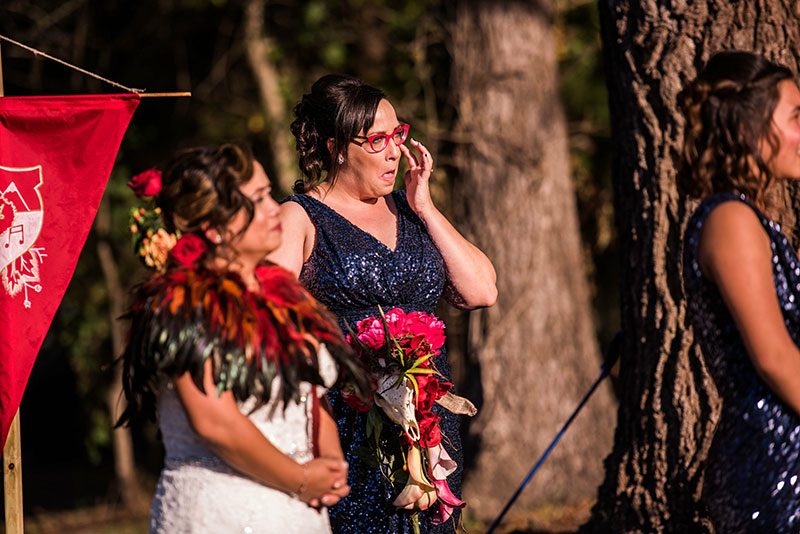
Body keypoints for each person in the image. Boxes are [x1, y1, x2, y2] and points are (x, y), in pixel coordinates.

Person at [269, 74, 497, 532]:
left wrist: (426, 207)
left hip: (431, 420)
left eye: (398, 134)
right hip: (349, 423)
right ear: (336, 147)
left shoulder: (412, 211)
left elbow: (481, 291)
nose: (394, 150)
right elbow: (265, 315)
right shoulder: (300, 216)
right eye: (376, 140)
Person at [118, 144, 368, 533]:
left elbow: (310, 394)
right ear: (217, 228)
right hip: (220, 511)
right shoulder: (184, 305)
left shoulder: (288, 298)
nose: (274, 208)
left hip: (300, 513)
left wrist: (330, 465)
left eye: (268, 192)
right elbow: (215, 421)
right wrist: (300, 480)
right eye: (258, 198)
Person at [680, 51, 800, 531]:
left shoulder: (749, 218)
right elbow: (773, 355)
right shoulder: (731, 219)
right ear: (751, 128)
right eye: (795, 117)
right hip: (774, 461)